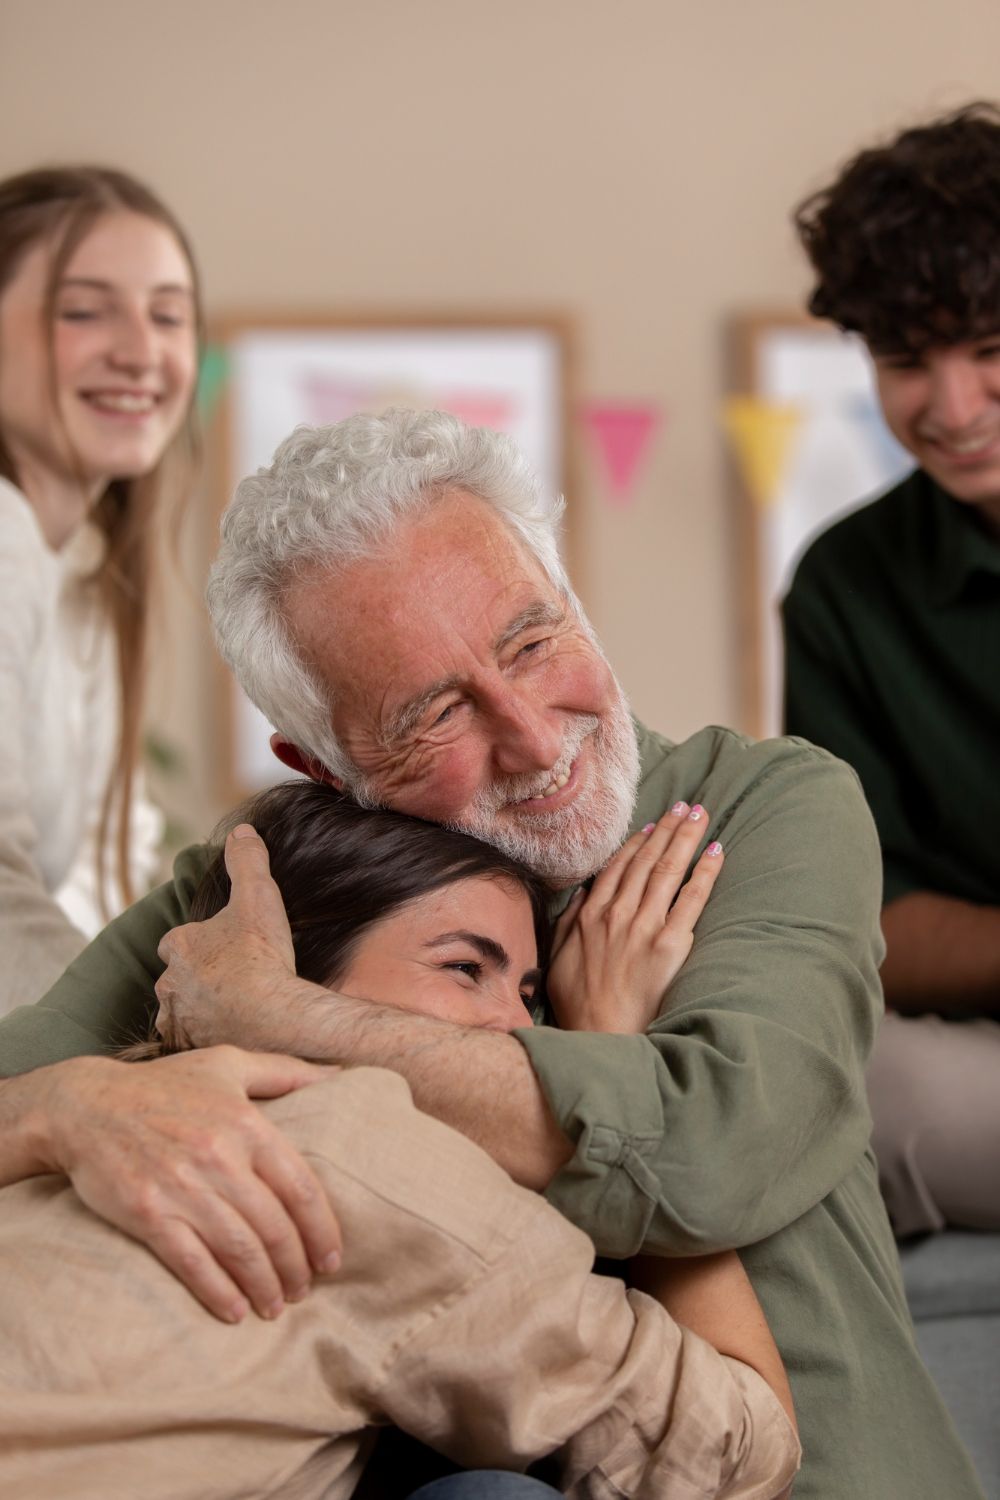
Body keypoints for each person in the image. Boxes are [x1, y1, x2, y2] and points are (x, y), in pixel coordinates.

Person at [0, 411, 984, 1498]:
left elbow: (715, 1147)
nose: (529, 736)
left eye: (530, 639)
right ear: (321, 764)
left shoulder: (762, 808)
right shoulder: (257, 882)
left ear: (573, 598)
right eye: (433, 714)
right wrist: (70, 1109)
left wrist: (278, 1021)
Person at [0, 782, 800, 1500]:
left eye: (531, 995)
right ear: (293, 984)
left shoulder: (96, 1117)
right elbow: (741, 1450)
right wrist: (617, 1066)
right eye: (463, 969)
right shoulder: (383, 1162)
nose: (524, 1031)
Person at [785, 103, 1000, 1237]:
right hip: (977, 1059)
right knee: (847, 1090)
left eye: (991, 349)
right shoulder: (843, 586)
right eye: (909, 362)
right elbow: (863, 925)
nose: (953, 408)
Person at [0, 165, 201, 1015]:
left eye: (168, 316)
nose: (139, 351)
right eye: (82, 311)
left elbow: (103, 870)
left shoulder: (79, 578)